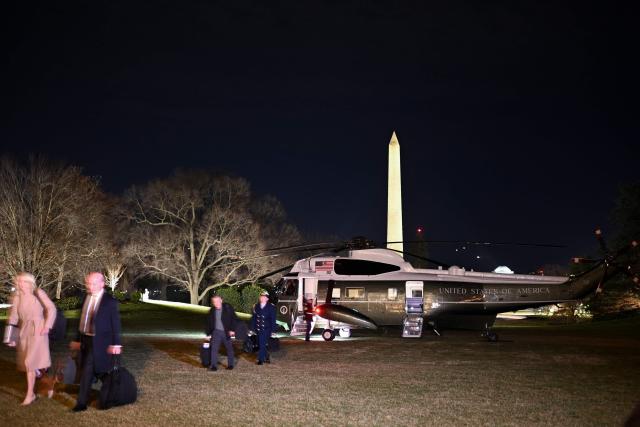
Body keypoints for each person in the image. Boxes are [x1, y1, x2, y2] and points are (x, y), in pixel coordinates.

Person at [69, 272, 122, 412]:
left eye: (93, 283)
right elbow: (81, 321)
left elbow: (115, 324)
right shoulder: (86, 297)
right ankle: (84, 402)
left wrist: (116, 344)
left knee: (94, 370)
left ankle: (87, 402)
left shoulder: (110, 301)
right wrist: (76, 339)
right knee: (90, 371)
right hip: (86, 340)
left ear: (102, 284)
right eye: (88, 283)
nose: (89, 286)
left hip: (101, 342)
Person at [6, 272, 56, 405]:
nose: (21, 284)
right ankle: (49, 383)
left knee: (30, 363)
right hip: (24, 330)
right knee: (33, 364)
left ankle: (30, 394)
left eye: (24, 281)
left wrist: (47, 326)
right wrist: (11, 337)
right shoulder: (17, 297)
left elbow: (51, 308)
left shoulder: (38, 292)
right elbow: (13, 317)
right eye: (19, 281)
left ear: (30, 282)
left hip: (38, 329)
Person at [204, 294, 238, 371]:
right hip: (216, 332)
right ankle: (213, 366)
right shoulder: (212, 310)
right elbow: (208, 323)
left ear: (221, 300)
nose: (216, 303)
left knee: (229, 349)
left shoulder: (228, 308)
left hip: (226, 332)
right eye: (214, 302)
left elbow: (234, 319)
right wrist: (208, 334)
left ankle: (230, 365)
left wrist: (232, 330)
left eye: (217, 301)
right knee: (214, 349)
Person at [250, 291, 276, 365]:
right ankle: (266, 356)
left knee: (262, 343)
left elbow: (273, 319)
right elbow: (254, 318)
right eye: (261, 296)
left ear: (267, 299)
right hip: (258, 329)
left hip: (266, 329)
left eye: (264, 297)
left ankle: (260, 360)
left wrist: (273, 331)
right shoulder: (256, 306)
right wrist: (252, 329)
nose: (262, 298)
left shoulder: (271, 307)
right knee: (260, 344)